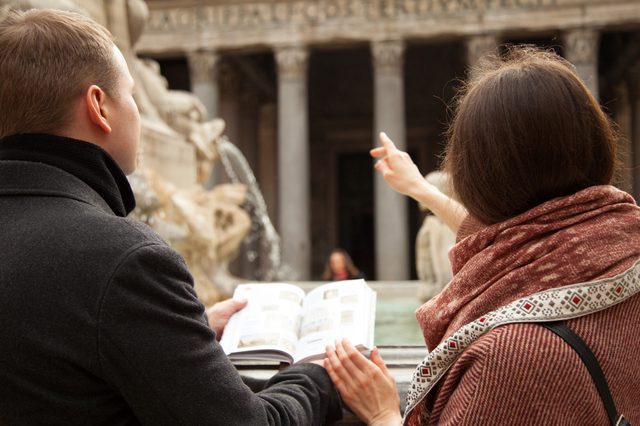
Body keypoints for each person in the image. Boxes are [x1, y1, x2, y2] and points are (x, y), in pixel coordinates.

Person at [0, 9, 341, 425]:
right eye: (133, 96)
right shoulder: (123, 260)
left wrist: (179, 330)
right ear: (99, 107)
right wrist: (318, 375)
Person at [324, 46, 640, 424]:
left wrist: (382, 414)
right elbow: (515, 243)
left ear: (475, 179)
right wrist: (423, 191)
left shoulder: (510, 359)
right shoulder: (617, 244)